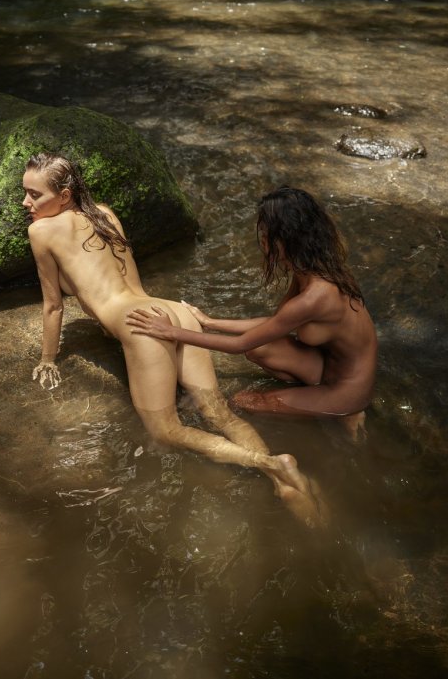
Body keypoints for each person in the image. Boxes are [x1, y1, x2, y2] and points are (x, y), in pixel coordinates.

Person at [23, 153, 325, 526]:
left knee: (165, 430)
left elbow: (53, 306)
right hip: (168, 310)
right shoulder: (105, 213)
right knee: (219, 413)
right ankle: (282, 478)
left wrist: (47, 359)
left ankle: (269, 464)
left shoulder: (40, 232)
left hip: (141, 325)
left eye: (34, 195)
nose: (26, 203)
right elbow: (127, 281)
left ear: (64, 195)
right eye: (26, 193)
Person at [126, 186, 377, 421]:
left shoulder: (316, 297)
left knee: (242, 401)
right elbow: (276, 323)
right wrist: (210, 322)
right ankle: (306, 395)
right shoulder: (311, 269)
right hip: (324, 368)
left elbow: (239, 345)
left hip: (347, 390)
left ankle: (348, 414)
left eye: (266, 235)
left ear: (286, 239)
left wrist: (172, 332)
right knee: (260, 348)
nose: (262, 242)